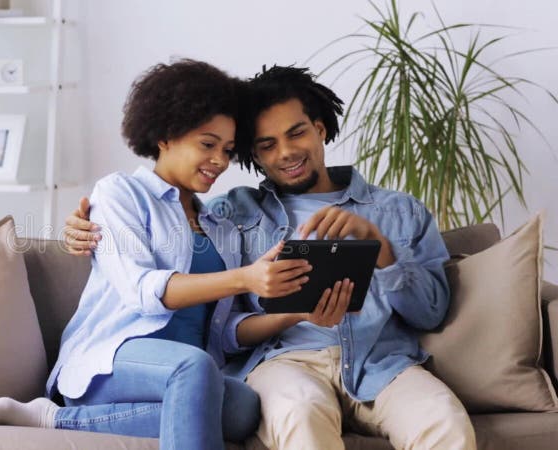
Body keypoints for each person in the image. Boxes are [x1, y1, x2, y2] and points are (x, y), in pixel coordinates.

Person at [63, 65, 477, 450]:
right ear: (255, 156)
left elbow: (431, 313)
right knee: (297, 414)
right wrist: (82, 228)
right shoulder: (234, 214)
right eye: (266, 145)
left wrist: (380, 249)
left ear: (319, 129)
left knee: (442, 420)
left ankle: (55, 418)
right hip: (283, 365)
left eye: (296, 134)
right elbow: (169, 287)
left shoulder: (399, 212)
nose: (285, 153)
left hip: (381, 363)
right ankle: (58, 417)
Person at [0, 59, 353, 450]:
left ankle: (53, 418)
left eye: (227, 149)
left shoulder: (221, 224)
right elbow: (141, 289)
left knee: (242, 409)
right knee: (194, 367)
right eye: (207, 144)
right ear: (166, 136)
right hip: (115, 362)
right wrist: (244, 277)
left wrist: (295, 310)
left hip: (191, 372)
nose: (220, 161)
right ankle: (72, 406)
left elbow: (223, 332)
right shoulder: (120, 194)